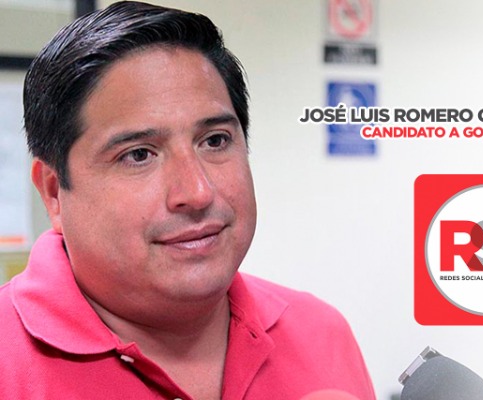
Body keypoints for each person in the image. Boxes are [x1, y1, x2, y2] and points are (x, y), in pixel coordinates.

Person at [0, 1, 376, 399]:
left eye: (214, 141)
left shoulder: (320, 333)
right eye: (138, 155)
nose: (197, 192)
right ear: (54, 192)